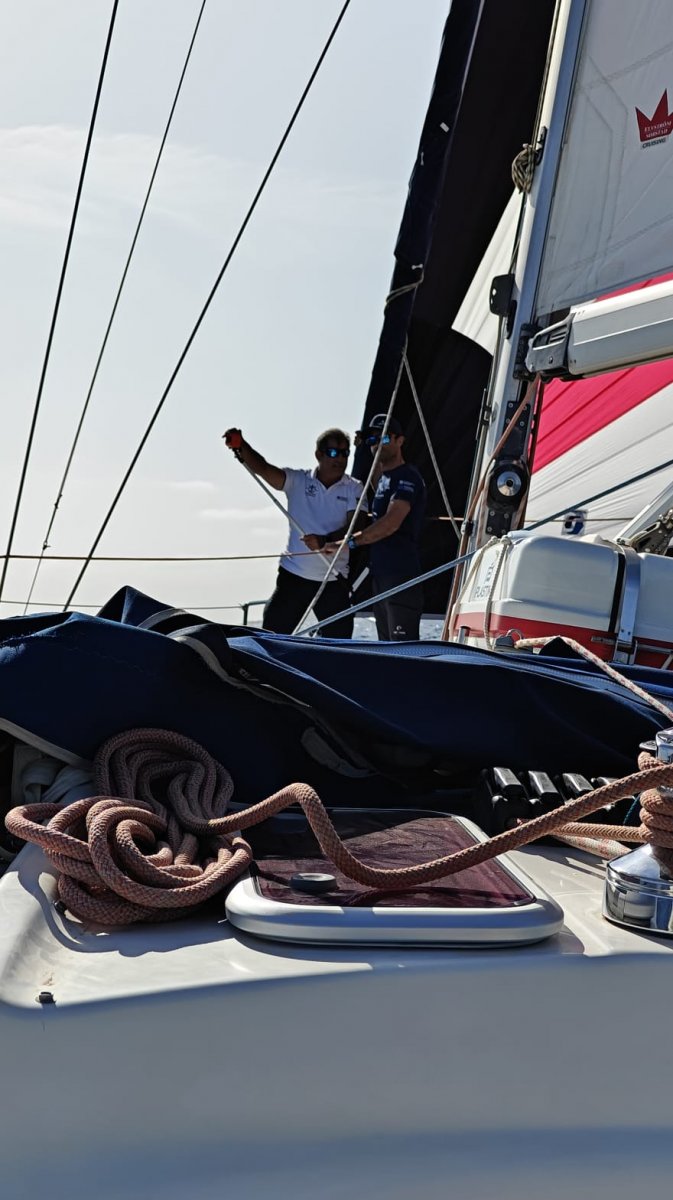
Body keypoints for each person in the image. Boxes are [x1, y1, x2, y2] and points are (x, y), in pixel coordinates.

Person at [223, 426, 362, 636]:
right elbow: (263, 468)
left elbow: (357, 526)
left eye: (345, 453)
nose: (340, 459)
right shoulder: (298, 480)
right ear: (318, 455)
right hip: (294, 576)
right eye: (334, 452)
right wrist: (241, 446)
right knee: (271, 637)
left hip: (333, 580)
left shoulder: (354, 488)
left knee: (340, 646)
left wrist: (325, 540)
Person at [327, 414, 426, 640]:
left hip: (401, 577)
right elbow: (377, 478)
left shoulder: (407, 477)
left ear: (400, 440)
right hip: (381, 577)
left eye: (383, 438)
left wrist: (349, 542)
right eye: (372, 440)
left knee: (403, 649)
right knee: (386, 647)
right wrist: (363, 447)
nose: (376, 444)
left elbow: (390, 523)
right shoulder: (384, 479)